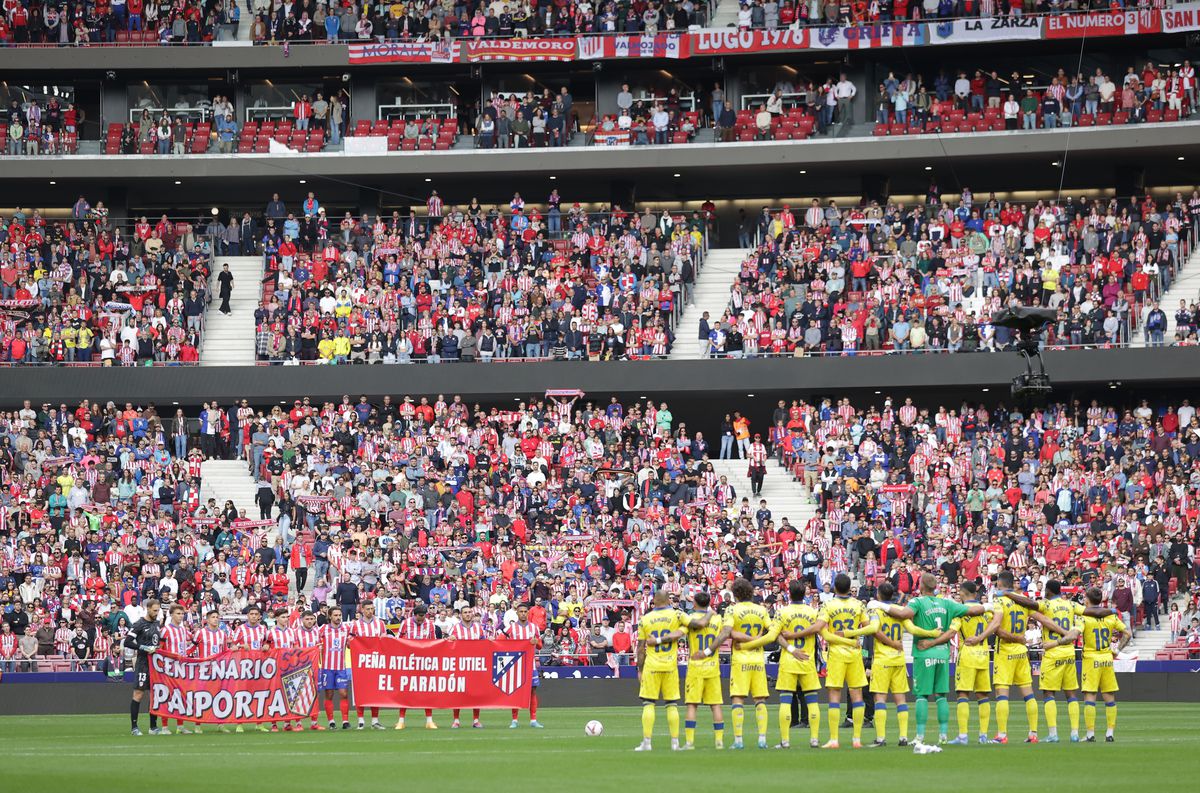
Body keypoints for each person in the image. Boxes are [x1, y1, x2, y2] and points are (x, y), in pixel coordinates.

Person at [872, 572, 985, 746]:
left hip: (924, 653)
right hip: (942, 654)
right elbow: (973, 609)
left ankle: (920, 736)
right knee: (941, 696)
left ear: (921, 586)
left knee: (922, 696)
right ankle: (943, 735)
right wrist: (991, 607)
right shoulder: (947, 602)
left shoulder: (917, 602)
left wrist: (880, 605)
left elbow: (903, 614)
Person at [739, 578, 822, 749]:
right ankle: (814, 739)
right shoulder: (813, 612)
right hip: (807, 660)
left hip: (789, 662)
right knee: (812, 701)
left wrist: (747, 645)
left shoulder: (782, 612)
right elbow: (821, 632)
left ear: (789, 594)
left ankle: (785, 741)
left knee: (786, 701)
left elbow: (771, 636)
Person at [817, 573, 877, 749]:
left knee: (834, 696)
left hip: (836, 654)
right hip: (854, 653)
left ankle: (834, 739)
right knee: (857, 694)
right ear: (850, 587)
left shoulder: (828, 604)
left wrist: (843, 637)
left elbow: (823, 631)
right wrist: (851, 638)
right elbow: (871, 628)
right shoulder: (858, 604)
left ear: (835, 588)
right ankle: (856, 739)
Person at [633, 590, 689, 751]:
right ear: (668, 601)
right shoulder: (676, 616)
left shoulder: (645, 619)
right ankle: (675, 743)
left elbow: (640, 648)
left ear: (655, 601)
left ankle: (647, 742)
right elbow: (688, 627)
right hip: (670, 665)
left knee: (649, 703)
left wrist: (640, 669)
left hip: (652, 665)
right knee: (671, 704)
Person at [945, 581, 995, 744]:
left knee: (963, 694)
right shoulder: (986, 611)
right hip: (984, 654)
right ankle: (983, 735)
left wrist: (934, 641)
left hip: (967, 654)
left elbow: (952, 632)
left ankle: (963, 736)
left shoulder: (961, 612)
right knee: (983, 695)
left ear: (963, 593)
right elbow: (996, 625)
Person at [724, 577, 771, 749]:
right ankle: (762, 739)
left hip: (740, 659)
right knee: (760, 699)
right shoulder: (761, 610)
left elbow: (731, 634)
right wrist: (757, 639)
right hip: (758, 659)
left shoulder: (731, 610)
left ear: (735, 593)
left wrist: (748, 640)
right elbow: (772, 630)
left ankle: (738, 740)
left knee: (738, 698)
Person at [1080, 586, 1129, 741]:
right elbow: (1127, 633)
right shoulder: (1110, 616)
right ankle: (1109, 734)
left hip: (1091, 657)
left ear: (1087, 600)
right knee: (1109, 696)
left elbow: (1076, 632)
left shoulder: (1084, 617)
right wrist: (1117, 650)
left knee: (1090, 695)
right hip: (1107, 658)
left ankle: (1090, 734)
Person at [681, 591, 728, 750]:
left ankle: (689, 742)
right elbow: (724, 636)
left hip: (695, 667)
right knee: (715, 705)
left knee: (692, 705)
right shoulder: (717, 618)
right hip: (713, 667)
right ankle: (719, 742)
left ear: (694, 602)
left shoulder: (690, 619)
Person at [395, 603, 442, 730]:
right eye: (419, 618)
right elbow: (398, 640)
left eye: (423, 617)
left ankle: (429, 720)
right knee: (405, 690)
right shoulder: (405, 623)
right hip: (409, 662)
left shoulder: (430, 624)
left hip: (424, 662)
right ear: (414, 615)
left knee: (427, 690)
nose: (421, 620)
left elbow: (434, 642)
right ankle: (401, 720)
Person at [124, 597, 163, 736]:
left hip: (155, 665)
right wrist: (143, 647)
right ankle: (134, 727)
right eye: (154, 610)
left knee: (154, 696)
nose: (156, 613)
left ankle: (153, 727)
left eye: (158, 610)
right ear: (148, 608)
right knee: (138, 694)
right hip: (143, 663)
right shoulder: (139, 623)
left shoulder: (158, 623)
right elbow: (127, 642)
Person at [502, 602, 544, 729]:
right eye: (521, 611)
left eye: (525, 611)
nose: (523, 614)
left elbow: (540, 645)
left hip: (530, 664)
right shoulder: (511, 628)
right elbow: (500, 641)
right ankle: (514, 720)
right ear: (517, 613)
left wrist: (536, 642)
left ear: (528, 613)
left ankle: (533, 719)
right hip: (516, 665)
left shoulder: (534, 627)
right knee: (516, 692)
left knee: (532, 691)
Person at [349, 601, 388, 730]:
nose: (370, 611)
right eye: (367, 609)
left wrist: (384, 638)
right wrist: (352, 642)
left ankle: (375, 721)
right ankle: (361, 720)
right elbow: (349, 644)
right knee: (361, 691)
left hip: (376, 662)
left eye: (372, 609)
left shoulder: (380, 624)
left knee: (375, 692)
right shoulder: (355, 625)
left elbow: (384, 640)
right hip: (361, 663)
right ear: (362, 610)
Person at [450, 606, 488, 729]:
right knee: (458, 693)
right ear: (461, 615)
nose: (467, 614)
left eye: (469, 612)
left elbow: (484, 643)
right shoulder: (456, 628)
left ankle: (476, 720)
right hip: (460, 665)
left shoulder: (478, 627)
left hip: (475, 665)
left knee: (476, 693)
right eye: (465, 612)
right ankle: (456, 720)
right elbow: (449, 643)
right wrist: (451, 639)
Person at [318, 608, 352, 730]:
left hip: (341, 668)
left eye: (340, 615)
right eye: (335, 615)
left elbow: (350, 644)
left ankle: (345, 721)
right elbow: (315, 641)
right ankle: (331, 721)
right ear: (330, 617)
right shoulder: (323, 629)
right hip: (327, 668)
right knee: (329, 694)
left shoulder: (346, 629)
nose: (338, 617)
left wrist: (350, 643)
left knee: (343, 693)